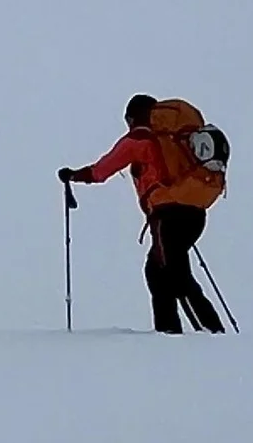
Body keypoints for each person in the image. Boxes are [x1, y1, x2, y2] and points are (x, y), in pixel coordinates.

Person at [60, 95, 222, 334]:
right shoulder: (175, 141)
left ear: (133, 117)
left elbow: (102, 170)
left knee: (174, 274)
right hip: (194, 213)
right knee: (158, 271)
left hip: (167, 215)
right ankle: (171, 333)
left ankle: (209, 334)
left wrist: (74, 175)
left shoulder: (139, 139)